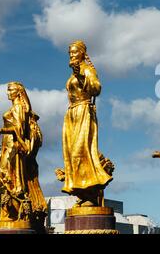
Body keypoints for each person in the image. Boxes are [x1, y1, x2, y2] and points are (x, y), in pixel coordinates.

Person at [60, 40, 113, 207]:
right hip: (71, 115)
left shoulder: (87, 70)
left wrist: (80, 76)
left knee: (80, 152)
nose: (72, 55)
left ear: (83, 53)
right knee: (71, 155)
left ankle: (90, 188)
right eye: (70, 53)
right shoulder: (73, 74)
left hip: (84, 111)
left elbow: (96, 89)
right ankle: (82, 192)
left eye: (75, 52)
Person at [0, 82, 47, 230]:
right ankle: (10, 210)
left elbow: (19, 129)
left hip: (13, 147)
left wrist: (2, 130)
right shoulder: (17, 107)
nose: (7, 93)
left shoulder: (18, 108)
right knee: (6, 175)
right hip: (8, 145)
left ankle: (16, 209)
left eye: (10, 90)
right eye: (7, 90)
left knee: (8, 175)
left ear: (18, 92)